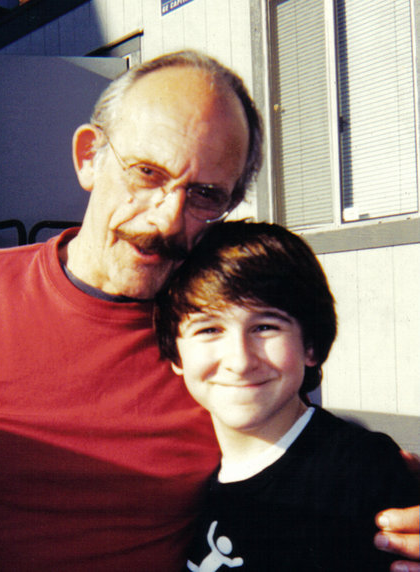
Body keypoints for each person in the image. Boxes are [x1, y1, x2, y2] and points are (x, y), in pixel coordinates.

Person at [0, 49, 417, 570]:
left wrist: (395, 505)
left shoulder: (225, 341)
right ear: (89, 156)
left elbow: (320, 469)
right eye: (147, 172)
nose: (166, 219)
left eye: (205, 194)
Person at [154, 219, 419, 571]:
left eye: (265, 327)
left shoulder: (359, 471)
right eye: (209, 329)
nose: (240, 361)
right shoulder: (193, 486)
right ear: (176, 355)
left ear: (310, 345)